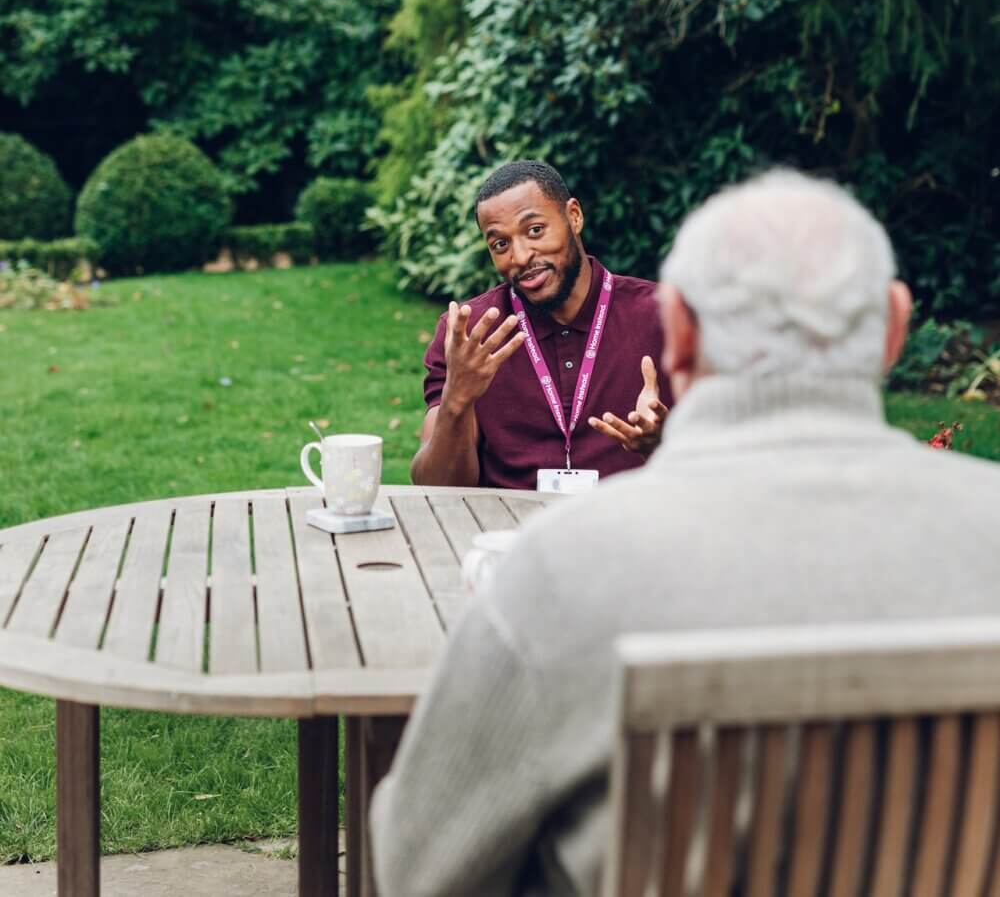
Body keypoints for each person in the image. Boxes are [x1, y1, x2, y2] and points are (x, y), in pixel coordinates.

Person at [372, 169, 1000, 897]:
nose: (517, 254)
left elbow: (418, 867)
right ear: (895, 329)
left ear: (680, 337)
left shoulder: (557, 575)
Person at [411, 159, 671, 492]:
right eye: (500, 244)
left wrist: (665, 442)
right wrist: (456, 400)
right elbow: (434, 488)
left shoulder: (664, 317)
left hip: (632, 533)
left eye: (535, 230)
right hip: (507, 537)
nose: (519, 257)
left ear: (573, 217)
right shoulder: (468, 336)